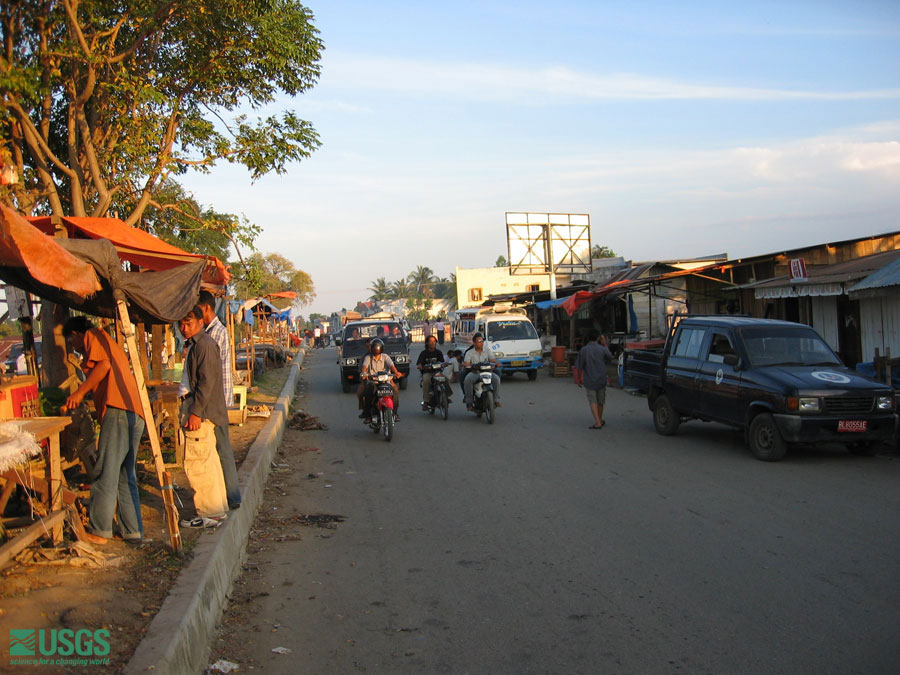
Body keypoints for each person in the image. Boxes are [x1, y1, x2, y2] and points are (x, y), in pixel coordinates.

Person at [63, 317, 145, 545]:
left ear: (76, 334)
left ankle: (99, 530)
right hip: (133, 413)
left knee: (105, 472)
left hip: (118, 411)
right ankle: (132, 530)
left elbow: (104, 366)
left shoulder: (94, 336)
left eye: (71, 340)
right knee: (124, 475)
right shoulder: (106, 341)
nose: (74, 347)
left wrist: (79, 393)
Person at [178, 306, 230, 527]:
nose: (184, 328)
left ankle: (209, 513)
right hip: (204, 412)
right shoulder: (197, 346)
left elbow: (206, 384)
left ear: (201, 321)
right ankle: (217, 510)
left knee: (198, 463)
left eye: (188, 324)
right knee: (208, 462)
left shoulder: (205, 346)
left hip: (203, 412)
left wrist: (195, 412)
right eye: (181, 324)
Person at [196, 290, 241, 510]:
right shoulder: (210, 332)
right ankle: (227, 495)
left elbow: (209, 373)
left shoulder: (215, 333)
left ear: (205, 308)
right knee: (217, 449)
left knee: (222, 448)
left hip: (217, 399)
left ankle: (232, 496)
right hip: (215, 398)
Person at [574, 329, 614, 429]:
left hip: (590, 380)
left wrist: (578, 379)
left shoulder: (584, 350)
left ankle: (598, 422)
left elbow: (579, 367)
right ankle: (599, 420)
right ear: (598, 338)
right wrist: (605, 344)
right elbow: (610, 357)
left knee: (593, 401)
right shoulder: (602, 349)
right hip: (601, 379)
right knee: (601, 401)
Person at [361, 338, 403, 423]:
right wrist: (364, 374)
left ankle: (395, 413)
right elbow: (364, 367)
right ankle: (368, 415)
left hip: (386, 381)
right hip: (373, 382)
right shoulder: (368, 358)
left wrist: (396, 372)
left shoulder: (385, 356)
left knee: (394, 391)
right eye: (374, 347)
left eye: (378, 347)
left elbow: (392, 365)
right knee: (368, 392)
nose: (376, 349)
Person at [463, 333, 501, 410]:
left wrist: (496, 364)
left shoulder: (487, 350)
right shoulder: (469, 352)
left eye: (482, 341)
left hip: (487, 372)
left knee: (497, 379)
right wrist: (471, 367)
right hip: (475, 372)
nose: (481, 343)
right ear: (474, 343)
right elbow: (466, 363)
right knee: (468, 380)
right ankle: (469, 402)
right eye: (479, 341)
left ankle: (495, 399)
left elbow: (492, 360)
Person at [416, 335, 445, 410]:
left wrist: (445, 364)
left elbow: (442, 362)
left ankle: (445, 397)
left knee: (445, 379)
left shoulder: (438, 352)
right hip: (427, 373)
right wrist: (420, 366)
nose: (432, 343)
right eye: (430, 341)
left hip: (437, 372)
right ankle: (426, 401)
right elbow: (419, 363)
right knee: (425, 381)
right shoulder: (424, 353)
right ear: (427, 343)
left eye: (434, 341)